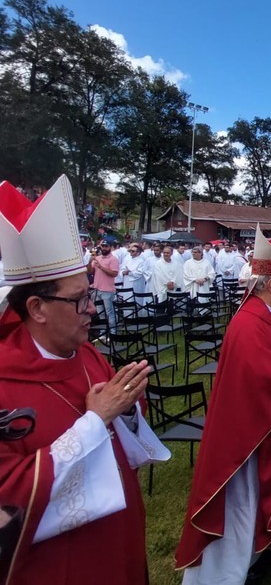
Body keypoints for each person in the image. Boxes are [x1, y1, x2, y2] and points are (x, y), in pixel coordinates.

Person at [0, 174, 170, 585]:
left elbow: (120, 424)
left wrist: (128, 406)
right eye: (80, 299)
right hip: (58, 565)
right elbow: (9, 502)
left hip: (120, 537)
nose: (92, 309)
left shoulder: (87, 353)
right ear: (37, 308)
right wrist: (94, 421)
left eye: (90, 294)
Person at [176, 223, 271, 583]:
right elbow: (266, 381)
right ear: (270, 284)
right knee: (244, 503)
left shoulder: (262, 318)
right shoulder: (248, 325)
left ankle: (268, 544)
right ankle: (236, 563)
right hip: (247, 438)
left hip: (262, 426)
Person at [88, 240, 120, 332]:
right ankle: (103, 332)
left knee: (109, 312)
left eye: (106, 246)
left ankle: (113, 332)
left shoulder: (113, 259)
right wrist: (90, 261)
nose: (104, 248)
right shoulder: (97, 258)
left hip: (107, 290)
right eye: (102, 246)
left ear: (110, 247)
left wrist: (101, 267)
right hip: (97, 289)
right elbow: (90, 272)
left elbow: (114, 273)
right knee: (100, 312)